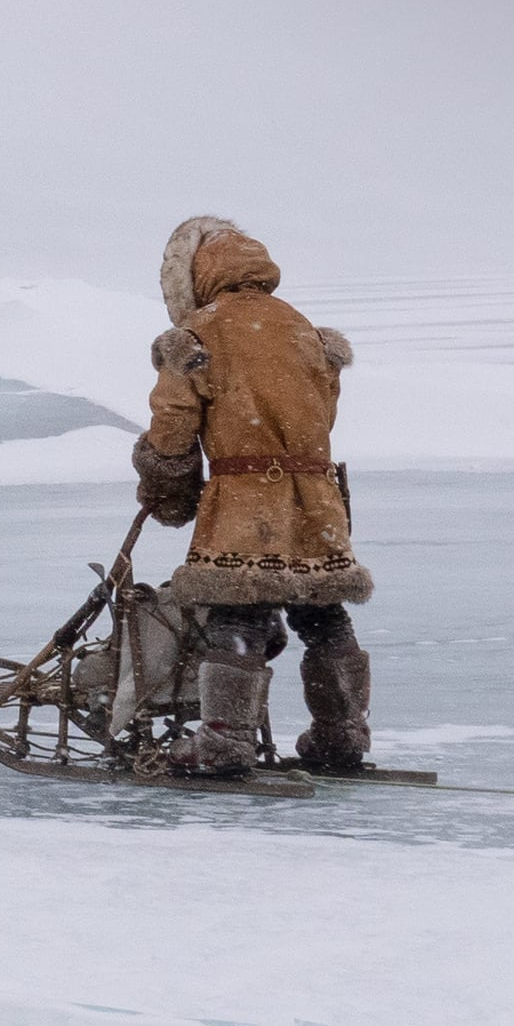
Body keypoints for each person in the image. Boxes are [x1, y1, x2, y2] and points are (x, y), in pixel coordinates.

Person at [130, 216, 373, 777]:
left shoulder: (196, 335)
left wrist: (167, 490)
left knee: (238, 615)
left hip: (244, 502)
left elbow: (172, 428)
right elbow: (321, 418)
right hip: (317, 502)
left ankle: (223, 740)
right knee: (323, 615)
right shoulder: (304, 330)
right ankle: (343, 734)